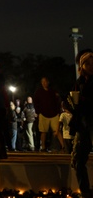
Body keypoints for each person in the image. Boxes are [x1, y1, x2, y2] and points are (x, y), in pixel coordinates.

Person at [65, 49, 93, 197]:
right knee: (77, 160)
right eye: (87, 63)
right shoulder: (79, 82)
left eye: (92, 62)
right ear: (81, 66)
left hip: (91, 122)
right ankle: (85, 191)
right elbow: (73, 102)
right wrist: (69, 105)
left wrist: (82, 101)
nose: (91, 65)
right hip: (82, 124)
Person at [33, 76, 64, 152]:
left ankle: (64, 146)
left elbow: (58, 101)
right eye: (42, 82)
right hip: (43, 114)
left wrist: (58, 111)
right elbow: (36, 102)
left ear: (48, 82)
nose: (44, 83)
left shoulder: (52, 91)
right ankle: (43, 147)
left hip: (54, 114)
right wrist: (38, 112)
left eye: (45, 81)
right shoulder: (38, 92)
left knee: (57, 130)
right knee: (43, 131)